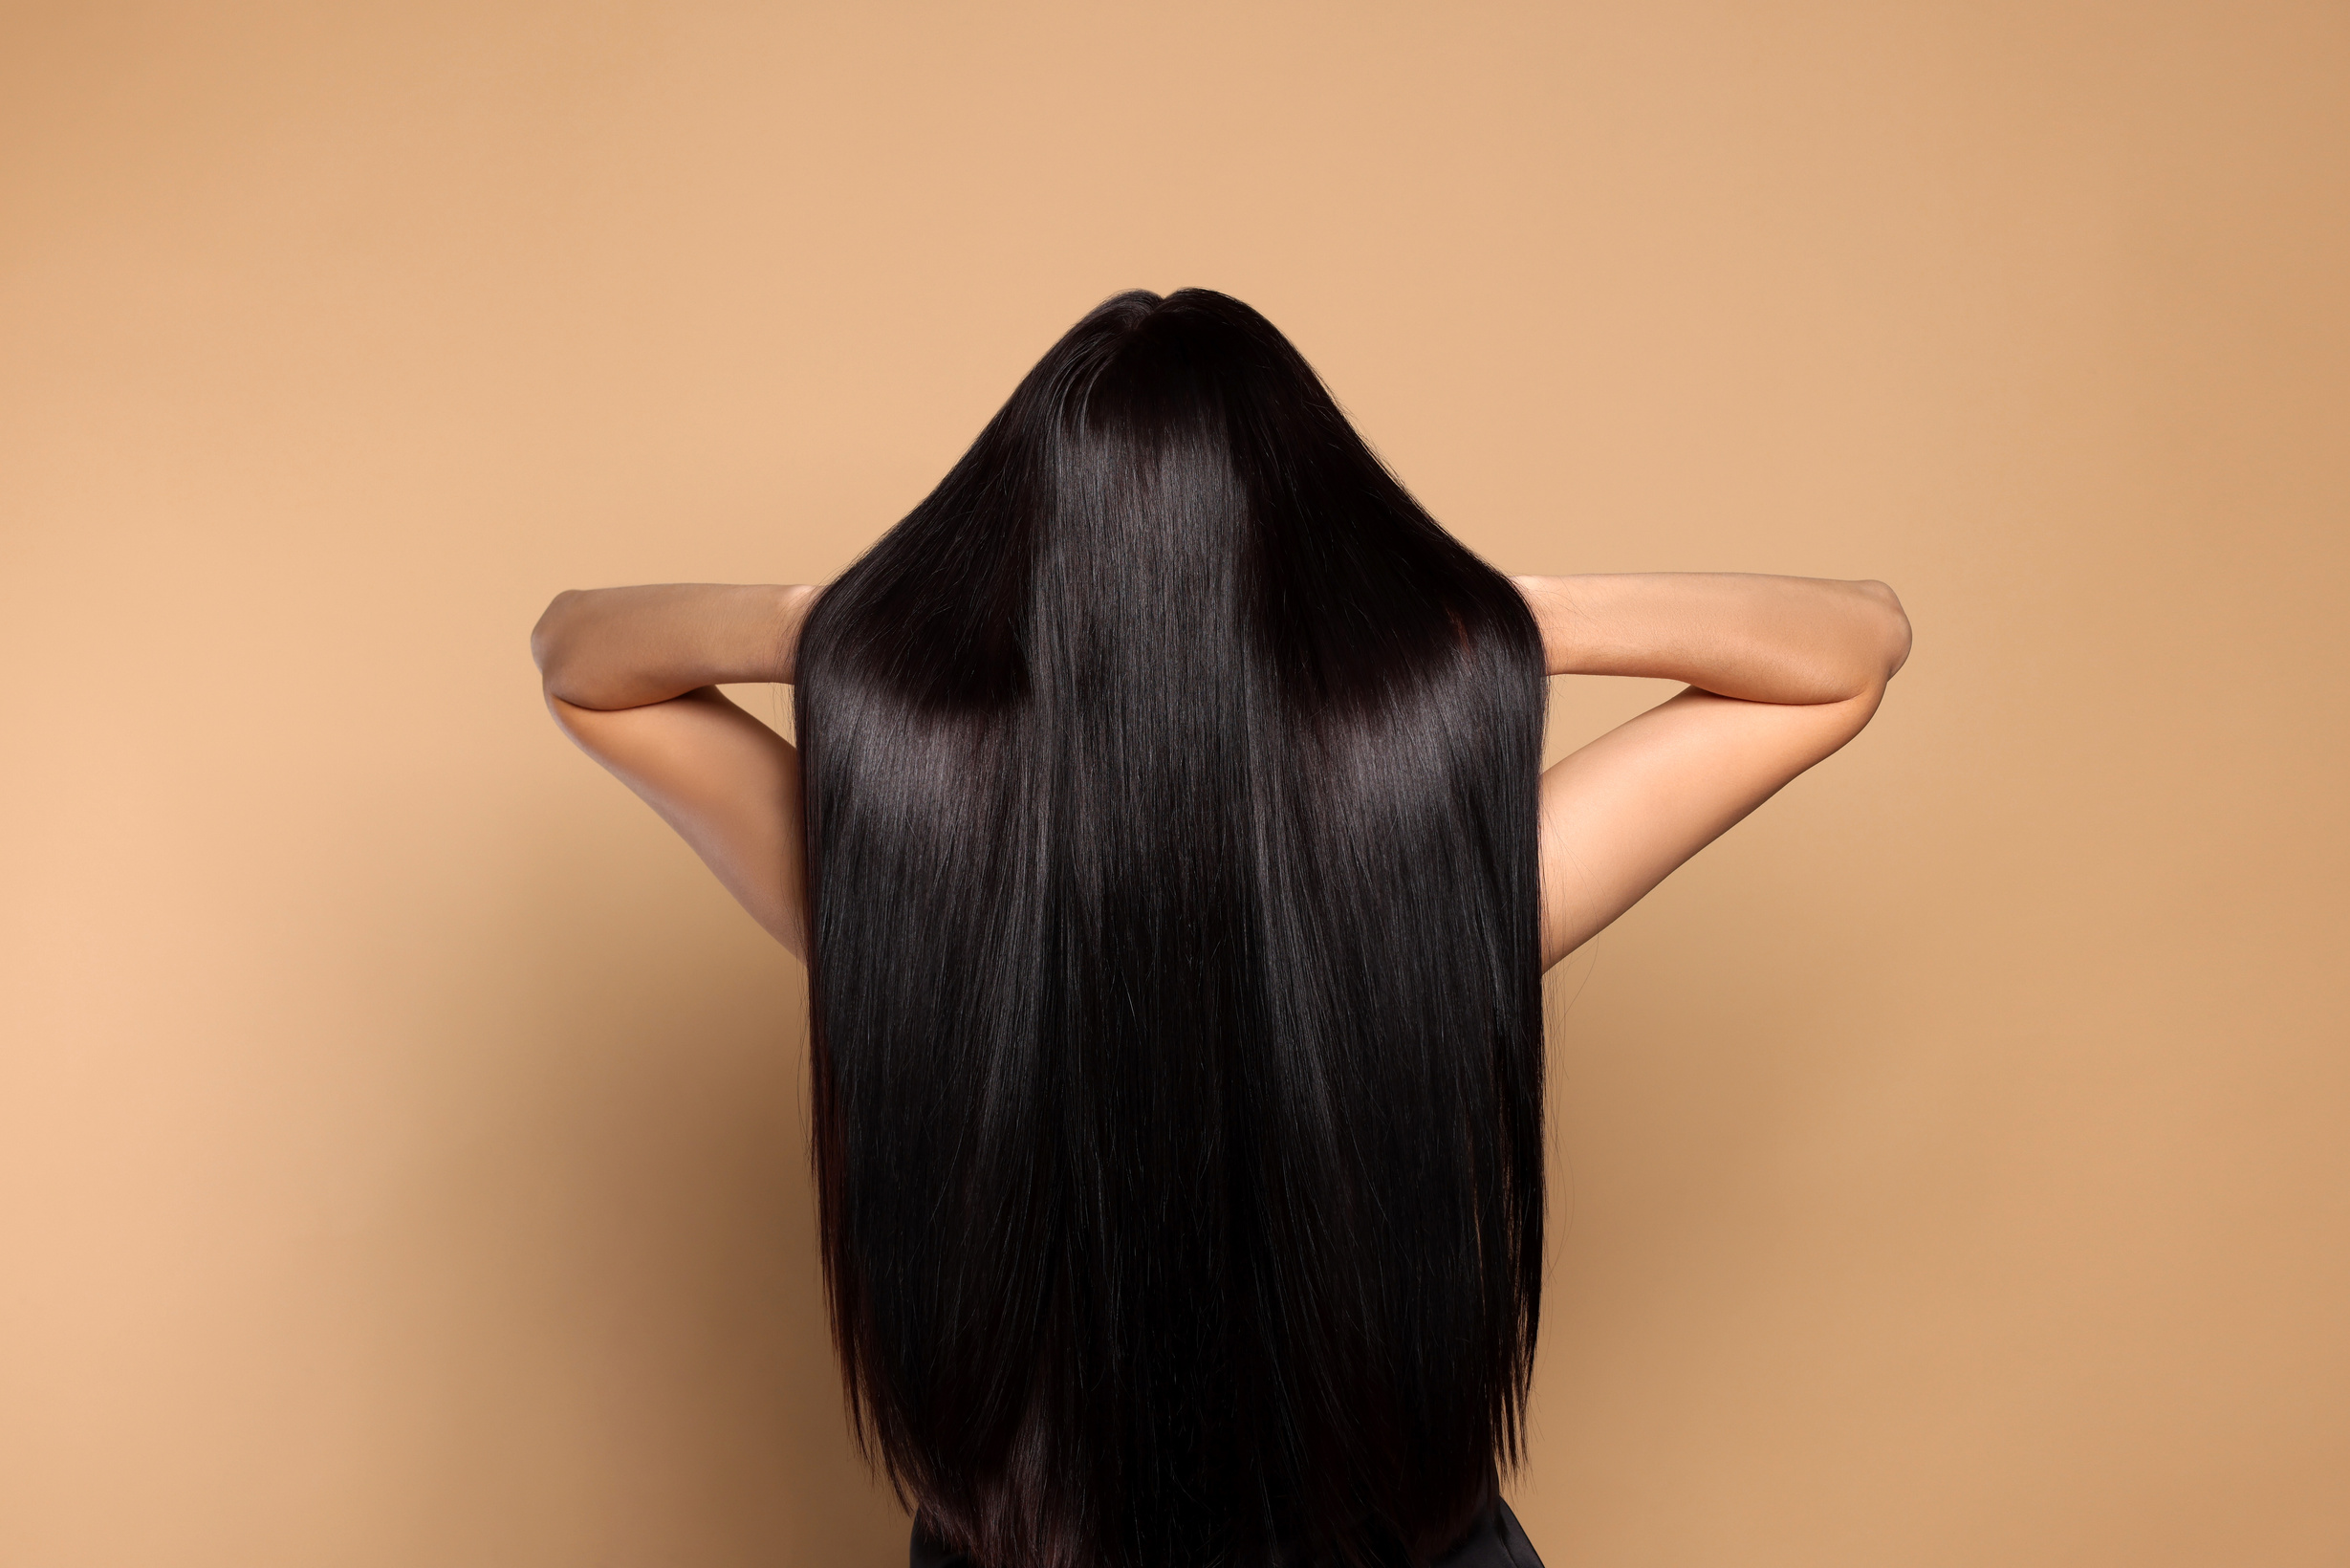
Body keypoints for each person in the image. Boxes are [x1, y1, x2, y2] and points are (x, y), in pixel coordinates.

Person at [531, 290, 1910, 1568]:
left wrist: (847, 626)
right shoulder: (1415, 902)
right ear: (1310, 577)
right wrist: (1485, 619)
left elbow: (582, 658)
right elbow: (1849, 650)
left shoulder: (920, 895)